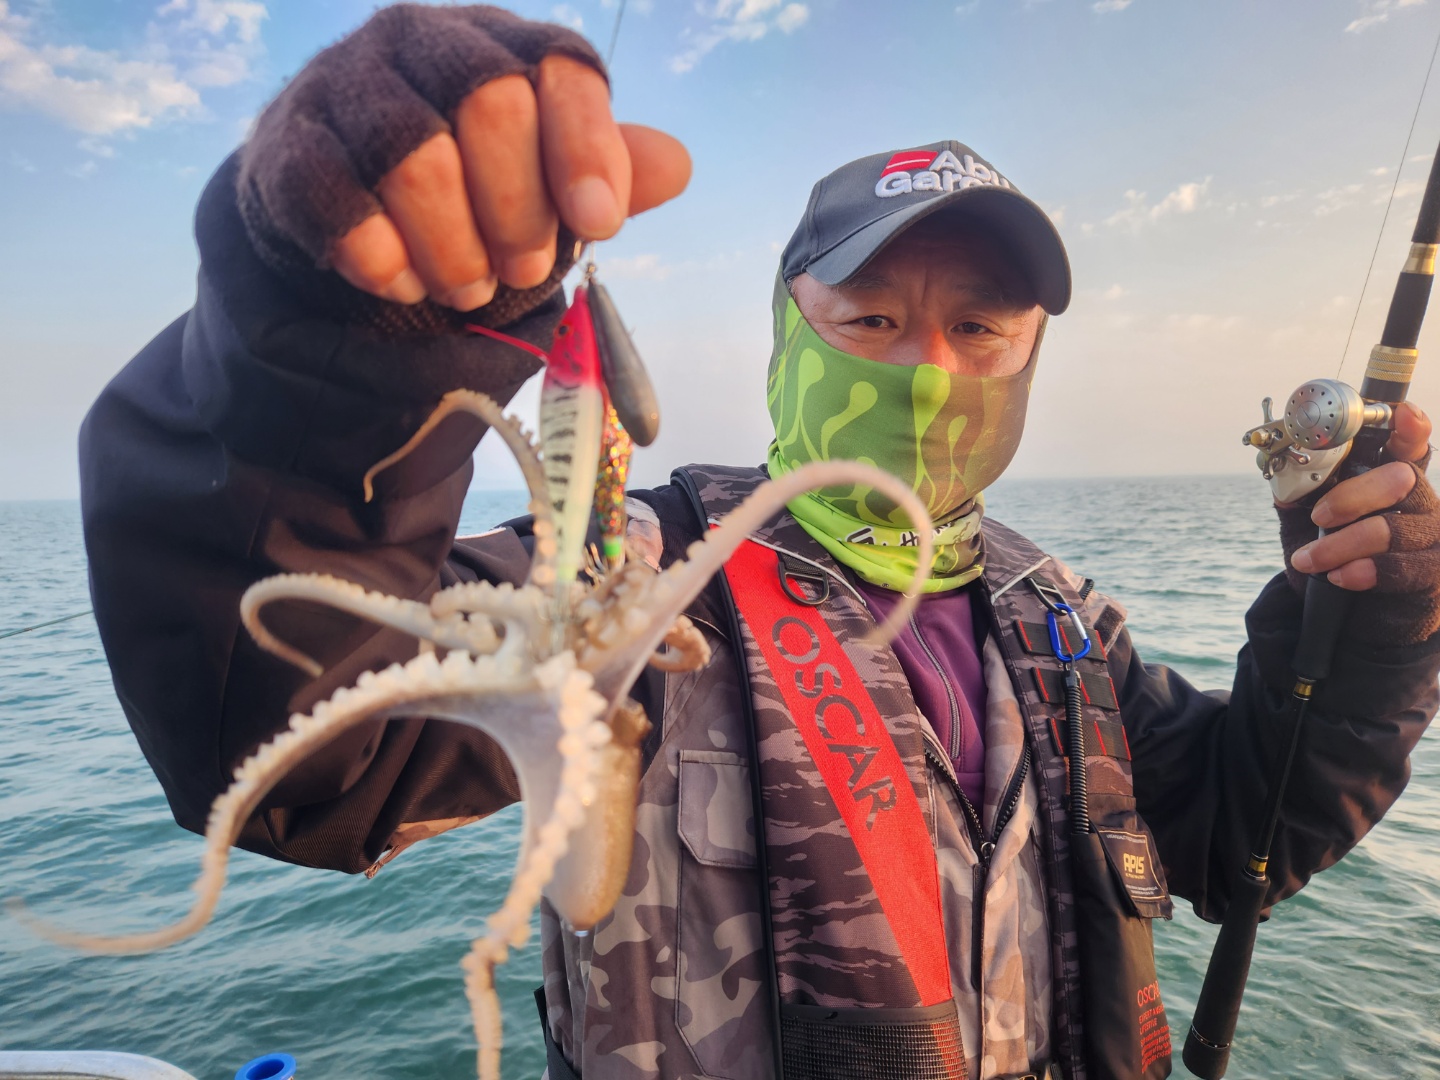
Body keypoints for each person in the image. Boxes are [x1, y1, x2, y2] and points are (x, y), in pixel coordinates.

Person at [78, 6, 1440, 1080]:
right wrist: (326, 342)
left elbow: (1246, 839)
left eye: (979, 330)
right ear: (790, 338)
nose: (928, 369)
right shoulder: (630, 573)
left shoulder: (1064, 621)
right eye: (871, 321)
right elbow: (304, 754)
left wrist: (1375, 626)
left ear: (1029, 359)